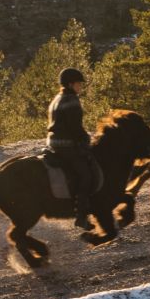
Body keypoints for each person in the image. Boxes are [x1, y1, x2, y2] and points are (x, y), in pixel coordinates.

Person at [46, 67, 94, 228]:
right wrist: (86, 140)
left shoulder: (57, 98)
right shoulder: (72, 100)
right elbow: (75, 127)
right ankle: (81, 215)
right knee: (85, 174)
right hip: (66, 144)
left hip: (53, 142)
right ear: (71, 84)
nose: (81, 86)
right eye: (79, 83)